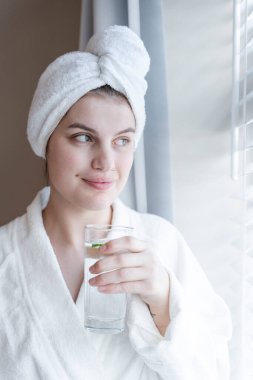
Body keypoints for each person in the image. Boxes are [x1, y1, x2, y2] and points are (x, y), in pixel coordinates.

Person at [0, 25, 231, 380]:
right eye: (83, 137)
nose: (106, 162)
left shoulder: (162, 244)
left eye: (122, 140)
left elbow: (217, 371)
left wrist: (163, 298)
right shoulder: (5, 259)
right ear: (47, 139)